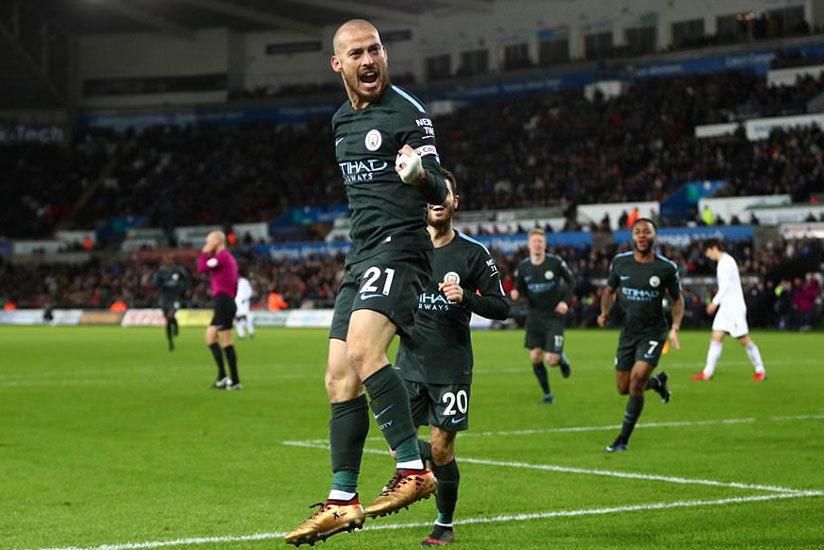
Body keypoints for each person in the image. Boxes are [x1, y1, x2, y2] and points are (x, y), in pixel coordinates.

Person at [285, 19, 448, 547]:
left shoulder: (408, 113)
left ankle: (413, 467)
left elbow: (442, 189)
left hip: (401, 248)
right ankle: (342, 500)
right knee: (338, 378)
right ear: (338, 64)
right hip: (361, 257)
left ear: (385, 54)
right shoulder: (340, 122)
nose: (368, 59)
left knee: (362, 349)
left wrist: (419, 176)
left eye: (374, 49)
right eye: (356, 53)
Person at [395, 170, 509, 546]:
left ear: (454, 201)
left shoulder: (473, 253)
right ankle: (425, 473)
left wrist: (468, 298)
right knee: (398, 444)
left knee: (442, 449)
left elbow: (502, 306)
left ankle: (444, 523)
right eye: (431, 193)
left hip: (451, 368)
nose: (437, 200)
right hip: (409, 362)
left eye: (444, 193)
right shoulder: (408, 246)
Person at [597, 218, 682, 452]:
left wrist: (675, 326)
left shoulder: (666, 268)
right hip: (628, 332)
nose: (642, 235)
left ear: (655, 236)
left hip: (654, 332)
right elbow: (609, 291)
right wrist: (604, 312)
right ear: (632, 237)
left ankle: (623, 440)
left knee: (636, 382)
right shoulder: (620, 263)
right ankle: (657, 383)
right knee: (623, 388)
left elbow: (677, 299)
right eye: (638, 232)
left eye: (647, 231)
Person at [511, 228, 575, 404]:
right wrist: (516, 293)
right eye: (534, 241)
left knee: (551, 360)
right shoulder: (523, 267)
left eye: (540, 241)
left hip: (554, 315)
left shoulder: (555, 262)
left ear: (545, 244)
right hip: (534, 316)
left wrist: (564, 302)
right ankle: (548, 395)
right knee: (535, 357)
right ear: (528, 244)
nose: (537, 244)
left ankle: (560, 358)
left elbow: (571, 282)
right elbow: (520, 288)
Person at [691, 240, 766, 381]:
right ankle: (707, 373)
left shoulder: (726, 262)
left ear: (714, 248)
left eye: (708, 252)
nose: (708, 256)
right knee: (716, 336)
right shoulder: (723, 262)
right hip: (725, 308)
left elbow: (725, 286)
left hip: (734, 308)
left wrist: (714, 303)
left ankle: (760, 370)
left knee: (744, 340)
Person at [196, 231, 241, 390]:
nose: (207, 245)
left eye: (208, 241)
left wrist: (204, 253)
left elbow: (201, 268)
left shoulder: (222, 256)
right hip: (222, 301)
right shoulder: (224, 257)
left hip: (224, 302)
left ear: (216, 241)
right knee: (210, 337)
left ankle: (235, 381)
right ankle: (222, 377)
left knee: (226, 341)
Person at [153, 256, 189, 351]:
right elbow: (156, 284)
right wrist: (159, 286)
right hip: (165, 298)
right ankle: (171, 342)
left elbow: (186, 280)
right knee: (168, 320)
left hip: (176, 298)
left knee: (170, 316)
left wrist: (182, 289)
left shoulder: (178, 270)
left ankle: (174, 328)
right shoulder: (160, 272)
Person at [234, 274, 255, 339]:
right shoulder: (232, 281)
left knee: (246, 318)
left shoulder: (244, 281)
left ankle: (251, 332)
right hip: (236, 303)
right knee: (237, 319)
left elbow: (249, 291)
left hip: (244, 303)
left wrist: (245, 298)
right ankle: (241, 335)